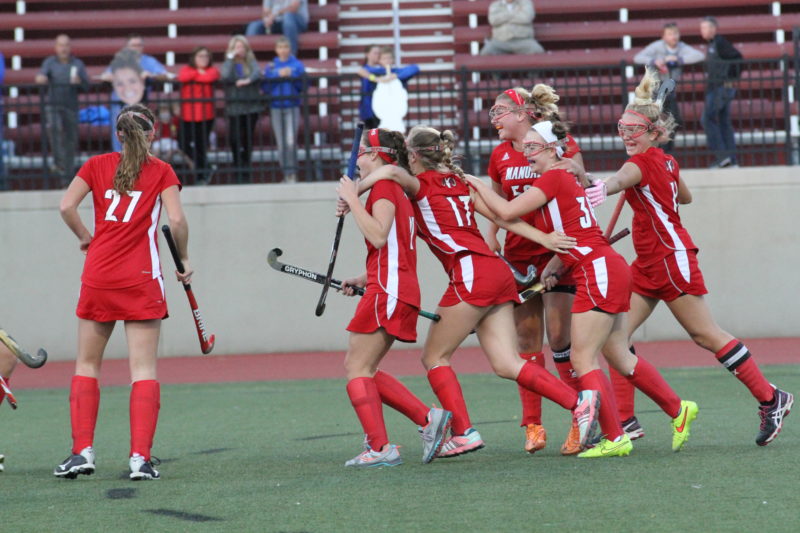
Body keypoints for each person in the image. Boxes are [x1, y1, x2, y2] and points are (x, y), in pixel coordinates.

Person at [355, 126, 601, 459]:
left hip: (471, 273)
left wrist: (352, 192)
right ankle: (579, 403)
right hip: (497, 271)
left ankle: (465, 433)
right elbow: (503, 216)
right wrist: (542, 239)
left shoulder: (418, 184)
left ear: (414, 156)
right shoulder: (463, 181)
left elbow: (390, 171)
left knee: (434, 357)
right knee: (506, 363)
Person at [581, 69, 792, 447]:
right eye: (622, 128)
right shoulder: (665, 161)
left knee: (705, 334)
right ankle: (626, 421)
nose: (626, 135)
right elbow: (686, 198)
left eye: (634, 129)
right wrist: (650, 195)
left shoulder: (639, 165)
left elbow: (618, 181)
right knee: (616, 338)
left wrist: (605, 188)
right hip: (649, 261)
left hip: (668, 257)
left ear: (653, 132)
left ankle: (771, 397)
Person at [469, 117, 699, 458]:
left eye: (532, 148)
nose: (526, 154)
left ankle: (614, 435)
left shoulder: (552, 177)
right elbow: (521, 222)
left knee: (581, 356)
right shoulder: (560, 177)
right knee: (617, 355)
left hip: (597, 271)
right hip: (604, 266)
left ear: (550, 149)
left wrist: (474, 183)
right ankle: (677, 409)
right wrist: (553, 262)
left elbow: (504, 209)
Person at [55, 104, 191, 480]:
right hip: (141, 278)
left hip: (99, 274)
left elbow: (67, 205)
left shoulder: (96, 164)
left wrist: (87, 237)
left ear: (118, 134)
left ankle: (81, 452)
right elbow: (177, 220)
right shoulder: (162, 170)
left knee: (87, 365)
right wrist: (184, 259)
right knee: (143, 369)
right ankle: (139, 459)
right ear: (153, 134)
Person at [335, 128, 453, 467]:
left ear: (375, 154)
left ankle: (381, 447)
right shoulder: (392, 188)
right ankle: (427, 420)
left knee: (357, 367)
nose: (356, 159)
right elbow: (393, 247)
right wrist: (364, 276)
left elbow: (379, 234)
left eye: (360, 152)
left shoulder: (385, 187)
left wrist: (353, 199)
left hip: (389, 288)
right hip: (391, 284)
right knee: (364, 367)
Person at [484, 85, 585, 455]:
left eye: (500, 110)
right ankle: (533, 425)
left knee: (560, 340)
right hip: (520, 255)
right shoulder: (498, 154)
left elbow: (580, 198)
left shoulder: (560, 142)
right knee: (527, 344)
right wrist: (492, 235)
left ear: (523, 112)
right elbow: (500, 203)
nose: (494, 118)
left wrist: (558, 257)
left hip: (558, 252)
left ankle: (580, 420)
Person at [633, 23, 704, 153]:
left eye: (675, 33)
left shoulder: (681, 47)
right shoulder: (657, 46)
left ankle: (665, 151)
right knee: (663, 121)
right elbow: (638, 58)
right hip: (657, 89)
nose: (674, 37)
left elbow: (699, 55)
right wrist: (655, 61)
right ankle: (660, 151)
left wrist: (678, 59)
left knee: (673, 121)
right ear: (664, 37)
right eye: (670, 34)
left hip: (670, 90)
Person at [35, 34, 90, 183]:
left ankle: (67, 177)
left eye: (66, 45)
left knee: (71, 140)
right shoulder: (49, 62)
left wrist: (79, 81)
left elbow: (86, 85)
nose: (63, 48)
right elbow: (41, 76)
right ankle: (58, 162)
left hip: (71, 106)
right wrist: (41, 79)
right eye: (60, 45)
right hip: (53, 105)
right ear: (56, 47)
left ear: (70, 47)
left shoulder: (77, 64)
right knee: (54, 127)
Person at [101, 35, 170, 152]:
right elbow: (105, 76)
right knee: (120, 133)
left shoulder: (148, 61)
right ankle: (120, 162)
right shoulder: (120, 61)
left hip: (140, 104)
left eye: (139, 45)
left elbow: (165, 75)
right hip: (120, 103)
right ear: (127, 47)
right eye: (133, 45)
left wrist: (150, 75)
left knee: (140, 134)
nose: (136, 48)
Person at [700, 16, 742, 168]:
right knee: (724, 122)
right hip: (718, 88)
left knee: (707, 119)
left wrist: (730, 78)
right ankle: (731, 159)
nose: (702, 31)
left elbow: (737, 58)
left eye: (705, 28)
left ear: (713, 29)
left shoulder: (720, 42)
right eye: (702, 28)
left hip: (721, 88)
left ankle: (723, 156)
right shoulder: (713, 44)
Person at [221, 36, 263, 184]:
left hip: (251, 107)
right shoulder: (230, 63)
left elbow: (257, 73)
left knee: (247, 139)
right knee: (234, 138)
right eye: (237, 47)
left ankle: (245, 169)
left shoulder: (250, 61)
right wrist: (230, 58)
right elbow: (225, 75)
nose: (240, 50)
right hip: (235, 107)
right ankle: (237, 167)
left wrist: (247, 80)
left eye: (242, 47)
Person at [263, 36, 305, 183]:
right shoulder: (271, 66)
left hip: (292, 106)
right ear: (276, 50)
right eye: (280, 47)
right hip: (276, 107)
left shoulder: (297, 65)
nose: (283, 50)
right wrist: (277, 76)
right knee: (281, 142)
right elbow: (265, 87)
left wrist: (292, 75)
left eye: (285, 47)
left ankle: (292, 173)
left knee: (290, 141)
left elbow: (303, 86)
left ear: (290, 49)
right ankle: (286, 173)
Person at [177, 46, 220, 185]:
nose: (203, 59)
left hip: (205, 115)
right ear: (194, 58)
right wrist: (198, 73)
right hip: (188, 115)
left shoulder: (212, 69)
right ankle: (205, 167)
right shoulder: (187, 69)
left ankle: (202, 175)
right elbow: (183, 77)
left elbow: (211, 76)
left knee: (201, 145)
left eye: (206, 56)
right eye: (200, 56)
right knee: (183, 143)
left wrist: (198, 75)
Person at [357, 46, 419, 130]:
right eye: (384, 58)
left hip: (392, 112)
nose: (387, 61)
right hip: (372, 111)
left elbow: (415, 68)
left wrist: (395, 76)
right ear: (379, 60)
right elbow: (361, 71)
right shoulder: (376, 71)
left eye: (389, 58)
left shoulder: (396, 71)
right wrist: (377, 79)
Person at [480, 0, 544, 56]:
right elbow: (493, 20)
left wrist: (503, 17)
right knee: (486, 52)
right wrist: (516, 13)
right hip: (500, 41)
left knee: (537, 50)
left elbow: (527, 18)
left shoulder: (526, 2)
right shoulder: (495, 5)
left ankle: (531, 70)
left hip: (523, 40)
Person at [151, 101, 194, 173]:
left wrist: (170, 124)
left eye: (166, 110)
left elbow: (174, 134)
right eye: (162, 110)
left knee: (169, 153)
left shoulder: (174, 120)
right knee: (156, 153)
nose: (164, 112)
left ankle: (164, 171)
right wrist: (161, 125)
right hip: (159, 141)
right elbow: (157, 135)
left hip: (171, 140)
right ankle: (155, 171)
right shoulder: (157, 121)